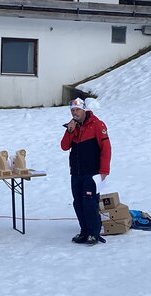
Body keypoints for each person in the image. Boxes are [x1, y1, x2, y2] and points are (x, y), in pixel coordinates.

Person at [60, 98, 111, 245]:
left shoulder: (97, 124)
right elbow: (64, 146)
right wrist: (70, 131)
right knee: (78, 202)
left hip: (92, 172)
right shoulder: (72, 126)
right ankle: (84, 231)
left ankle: (93, 233)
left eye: (77, 110)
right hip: (76, 172)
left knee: (89, 202)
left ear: (84, 110)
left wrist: (104, 170)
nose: (74, 113)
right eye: (72, 110)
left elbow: (106, 149)